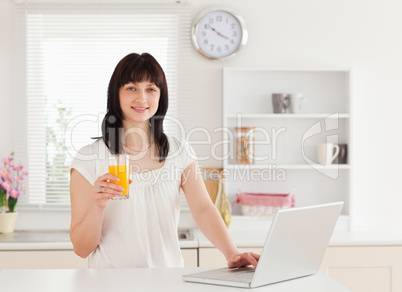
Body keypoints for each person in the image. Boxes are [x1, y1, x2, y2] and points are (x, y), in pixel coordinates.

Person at [69, 52, 260, 268]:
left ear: (161, 97)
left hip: (168, 281)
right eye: (131, 88)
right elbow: (81, 249)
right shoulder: (88, 159)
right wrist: (98, 205)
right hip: (111, 283)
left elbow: (203, 208)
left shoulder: (179, 150)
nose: (142, 98)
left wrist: (232, 253)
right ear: (116, 94)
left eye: (151, 89)